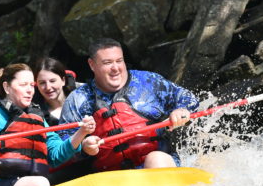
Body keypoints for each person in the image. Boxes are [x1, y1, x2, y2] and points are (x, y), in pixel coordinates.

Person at [60, 38, 198, 170]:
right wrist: (83, 145)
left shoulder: (148, 82)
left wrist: (181, 110)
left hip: (159, 165)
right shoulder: (77, 100)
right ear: (92, 65)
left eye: (119, 61)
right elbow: (61, 147)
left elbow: (188, 98)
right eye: (107, 63)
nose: (115, 68)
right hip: (111, 179)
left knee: (155, 160)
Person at [32, 57, 79, 125]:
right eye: (42, 83)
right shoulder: (34, 114)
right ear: (37, 84)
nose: (48, 87)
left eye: (52, 81)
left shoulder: (82, 98)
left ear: (63, 80)